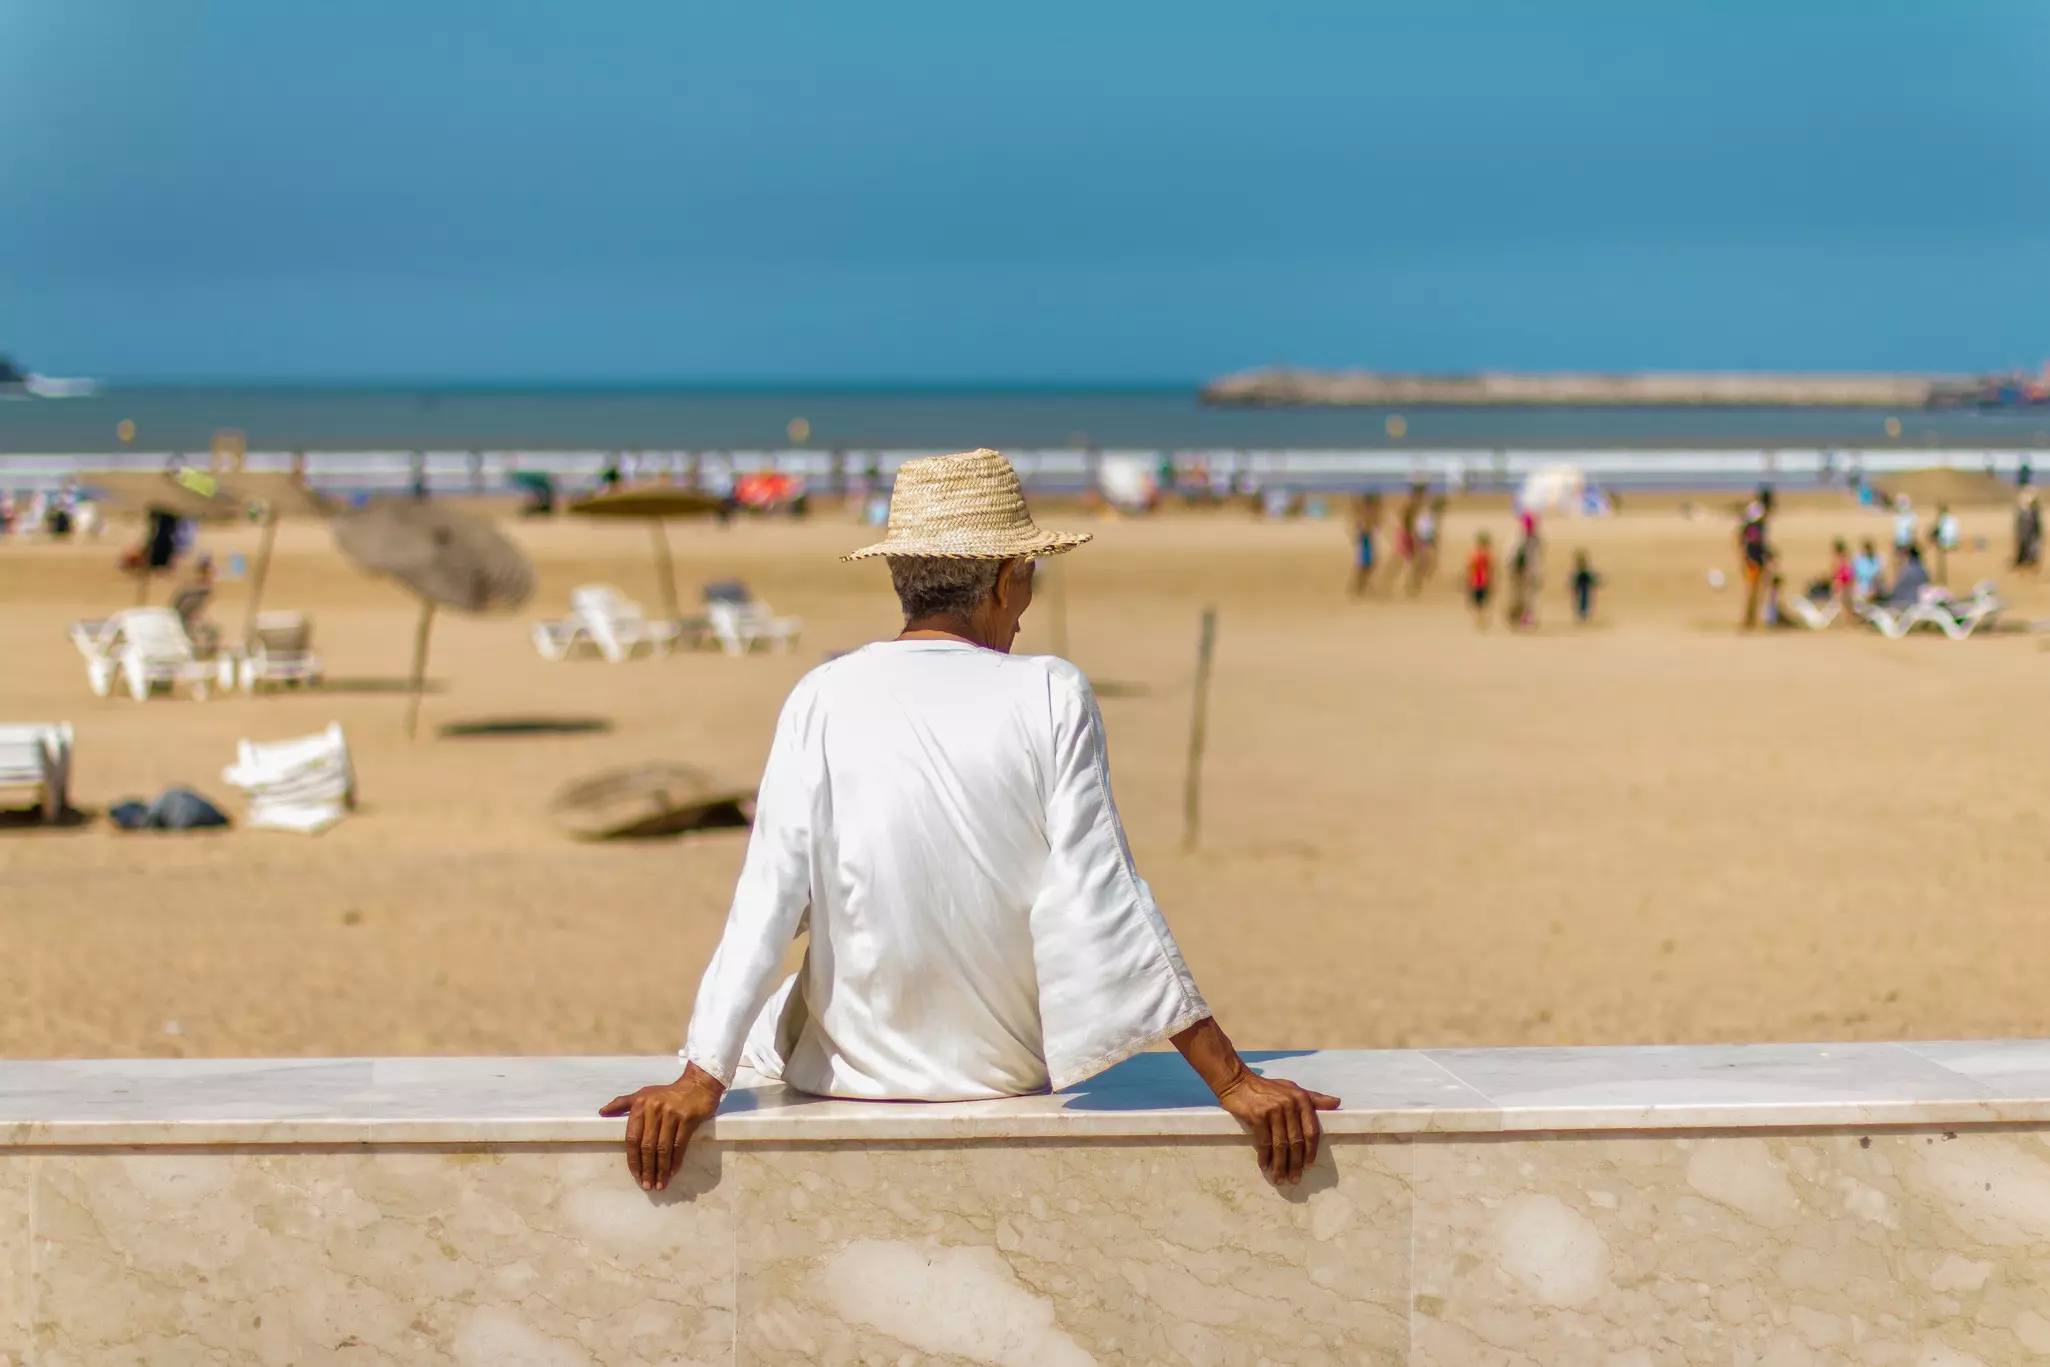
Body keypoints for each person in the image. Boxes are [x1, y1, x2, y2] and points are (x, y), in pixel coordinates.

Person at [601, 450, 1339, 1192]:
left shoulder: (821, 694)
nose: (1023, 612)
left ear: (903, 578)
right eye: (1027, 579)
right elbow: (1103, 889)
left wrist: (703, 1074)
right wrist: (1233, 1078)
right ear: (1004, 578)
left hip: (844, 1077)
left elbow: (767, 897)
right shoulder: (1051, 691)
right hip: (1003, 1071)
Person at [169, 555, 220, 655]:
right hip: (183, 619)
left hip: (184, 618)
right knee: (210, 632)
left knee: (211, 632)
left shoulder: (193, 587)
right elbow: (184, 606)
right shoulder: (200, 589)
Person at [1737, 501, 1770, 629]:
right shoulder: (1752, 529)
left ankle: (1752, 618)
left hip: (1757, 561)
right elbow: (1752, 545)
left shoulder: (1755, 528)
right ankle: (1748, 619)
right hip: (1752, 562)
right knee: (1752, 591)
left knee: (1756, 591)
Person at [1349, 492, 1382, 597]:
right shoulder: (1365, 513)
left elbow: (1373, 525)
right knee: (1365, 566)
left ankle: (1362, 586)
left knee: (1369, 565)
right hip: (1365, 540)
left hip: (1367, 540)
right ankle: (1360, 587)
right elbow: (1363, 527)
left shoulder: (1367, 512)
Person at [1466, 531, 1495, 627]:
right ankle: (1480, 618)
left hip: (1478, 580)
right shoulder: (1486, 554)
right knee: (1481, 601)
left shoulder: (1475, 553)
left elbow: (1470, 566)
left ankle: (1479, 618)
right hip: (1481, 580)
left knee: (1479, 602)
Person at [1570, 551, 1600, 623]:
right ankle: (1583, 614)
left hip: (1584, 589)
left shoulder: (1583, 572)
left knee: (1583, 602)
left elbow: (1591, 579)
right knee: (1581, 602)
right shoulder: (1581, 572)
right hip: (1582, 588)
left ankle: (1583, 614)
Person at [1891, 494, 1919, 572]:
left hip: (1906, 541)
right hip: (1901, 540)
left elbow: (1912, 530)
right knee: (1901, 560)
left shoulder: (1909, 516)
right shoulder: (1900, 516)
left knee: (1906, 560)